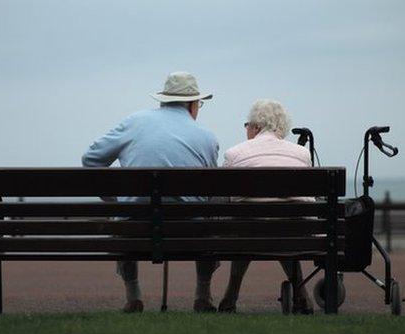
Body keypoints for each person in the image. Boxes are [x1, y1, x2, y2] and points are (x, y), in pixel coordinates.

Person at [81, 72, 220, 313]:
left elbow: (91, 160)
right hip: (190, 233)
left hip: (134, 229)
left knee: (123, 217)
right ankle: (202, 295)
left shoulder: (134, 122)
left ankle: (133, 295)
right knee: (207, 219)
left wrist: (116, 200)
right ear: (191, 104)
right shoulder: (207, 137)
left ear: (163, 100)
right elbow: (209, 192)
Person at [218, 99, 314, 314]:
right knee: (281, 227)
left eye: (247, 125)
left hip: (248, 231)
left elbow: (225, 196)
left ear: (255, 127)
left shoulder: (234, 153)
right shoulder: (302, 154)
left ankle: (230, 297)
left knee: (248, 226)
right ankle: (302, 296)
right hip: (294, 233)